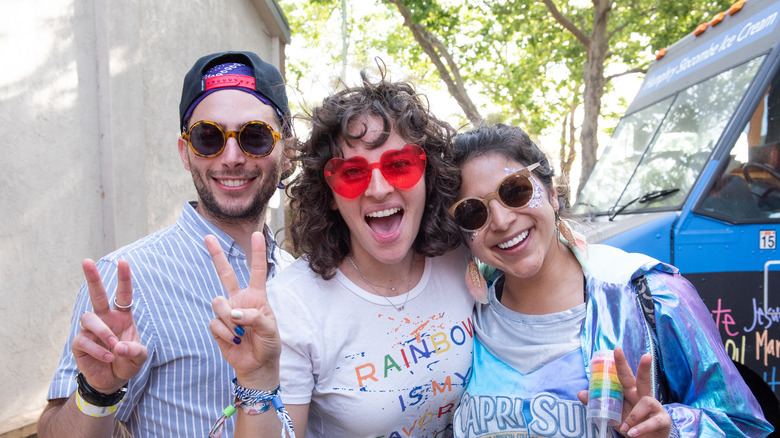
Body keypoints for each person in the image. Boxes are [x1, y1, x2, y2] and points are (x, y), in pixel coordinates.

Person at [446, 123, 773, 437]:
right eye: (472, 212)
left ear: (552, 194)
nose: (502, 221)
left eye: (516, 191)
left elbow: (744, 424)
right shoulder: (459, 318)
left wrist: (669, 430)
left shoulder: (652, 294)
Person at [38, 50, 295, 438]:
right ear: (184, 152)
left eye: (254, 136)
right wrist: (97, 393)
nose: (231, 157)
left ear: (285, 150)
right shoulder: (128, 280)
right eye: (208, 137)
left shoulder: (298, 277)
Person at [207, 71, 476, 437]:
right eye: (352, 173)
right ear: (330, 196)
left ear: (427, 175)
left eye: (400, 165)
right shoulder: (294, 303)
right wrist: (256, 379)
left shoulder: (462, 257)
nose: (379, 189)